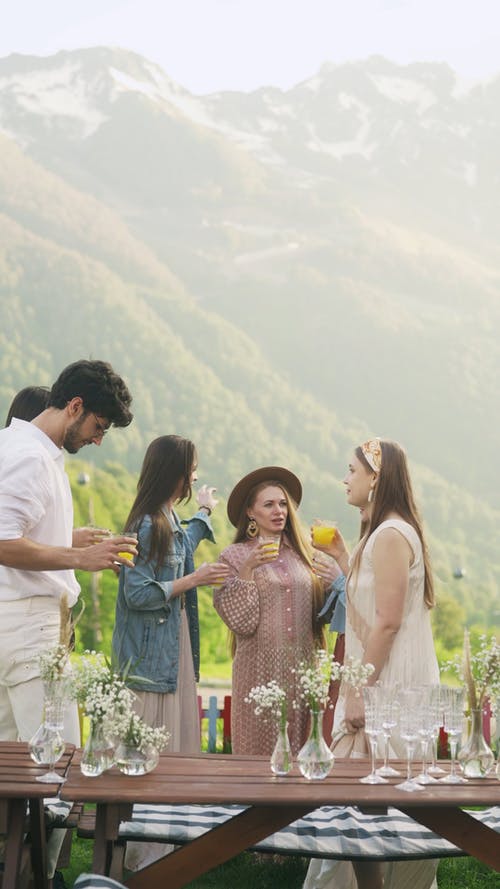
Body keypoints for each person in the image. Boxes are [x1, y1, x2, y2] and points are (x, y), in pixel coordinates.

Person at [303, 438, 439, 889]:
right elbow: (364, 625)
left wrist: (358, 689)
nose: (345, 479)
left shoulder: (391, 535)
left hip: (389, 685)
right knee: (361, 805)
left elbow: (388, 624)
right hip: (374, 675)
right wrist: (344, 558)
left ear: (375, 477)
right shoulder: (375, 537)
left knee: (364, 801)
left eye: (351, 471)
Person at [0, 359, 136, 744]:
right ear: (75, 406)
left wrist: (64, 536)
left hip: (12, 619)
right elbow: (3, 541)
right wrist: (79, 559)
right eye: (99, 427)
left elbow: (19, 527)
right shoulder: (32, 458)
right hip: (29, 625)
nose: (98, 440)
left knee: (10, 762)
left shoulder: (12, 443)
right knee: (58, 756)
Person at [112, 435, 229, 749]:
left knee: (165, 745)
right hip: (150, 656)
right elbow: (136, 595)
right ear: (175, 474)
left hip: (169, 644)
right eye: (192, 470)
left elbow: (180, 550)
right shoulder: (148, 525)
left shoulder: (167, 517)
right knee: (146, 748)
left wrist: (204, 512)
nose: (194, 477)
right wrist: (195, 579)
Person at [213, 466, 327, 756]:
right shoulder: (234, 555)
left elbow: (326, 610)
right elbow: (241, 622)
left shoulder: (306, 555)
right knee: (259, 756)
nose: (279, 511)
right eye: (268, 504)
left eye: (282, 503)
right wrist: (249, 567)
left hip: (302, 671)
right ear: (251, 513)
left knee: (304, 757)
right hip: (258, 673)